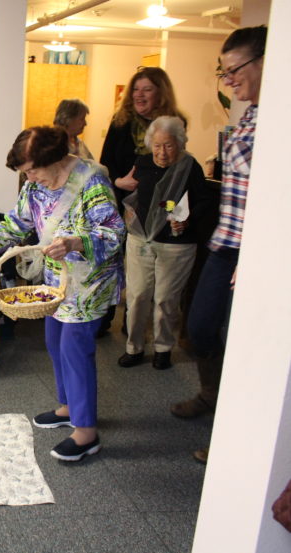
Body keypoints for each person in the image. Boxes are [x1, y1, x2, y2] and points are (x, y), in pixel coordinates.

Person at [0, 126, 125, 462]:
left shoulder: (92, 182)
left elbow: (114, 233)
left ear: (56, 159)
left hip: (89, 281)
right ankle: (67, 407)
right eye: (25, 171)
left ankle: (86, 432)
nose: (29, 177)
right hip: (56, 281)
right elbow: (16, 224)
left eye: (32, 170)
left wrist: (76, 242)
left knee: (75, 349)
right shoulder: (35, 185)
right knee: (54, 342)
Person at [170, 25, 267, 464]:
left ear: (267, 61)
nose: (228, 80)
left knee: (243, 342)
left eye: (234, 70)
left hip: (256, 251)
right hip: (227, 240)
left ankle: (235, 431)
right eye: (223, 72)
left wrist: (261, 257)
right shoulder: (249, 114)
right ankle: (212, 394)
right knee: (202, 329)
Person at [117, 116, 217, 370]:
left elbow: (205, 200)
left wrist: (187, 219)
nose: (162, 152)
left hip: (177, 244)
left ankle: (163, 349)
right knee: (137, 295)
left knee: (165, 299)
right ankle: (134, 347)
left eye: (169, 146)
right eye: (158, 145)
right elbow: (130, 192)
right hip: (141, 240)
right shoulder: (142, 163)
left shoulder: (189, 166)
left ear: (179, 143)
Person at [98, 67, 187, 337]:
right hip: (121, 202)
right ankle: (102, 320)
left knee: (144, 267)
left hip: (156, 206)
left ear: (161, 92)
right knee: (111, 260)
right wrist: (117, 181)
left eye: (147, 89)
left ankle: (133, 325)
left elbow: (177, 165)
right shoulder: (121, 121)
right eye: (136, 89)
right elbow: (105, 164)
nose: (139, 95)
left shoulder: (175, 122)